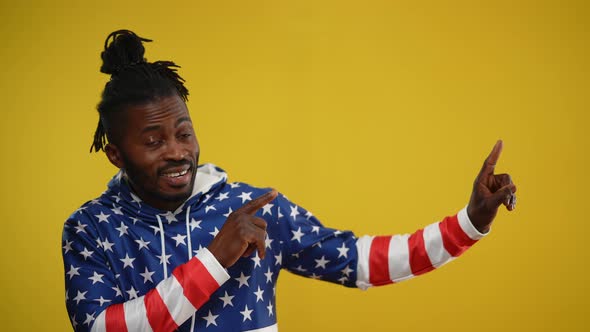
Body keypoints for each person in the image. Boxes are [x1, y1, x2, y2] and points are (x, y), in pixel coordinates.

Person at [62, 30, 517, 332]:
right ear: (116, 155)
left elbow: (362, 262)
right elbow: (102, 328)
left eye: (183, 133)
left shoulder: (253, 208)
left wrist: (469, 223)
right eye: (153, 141)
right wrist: (216, 258)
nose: (178, 151)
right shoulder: (90, 228)